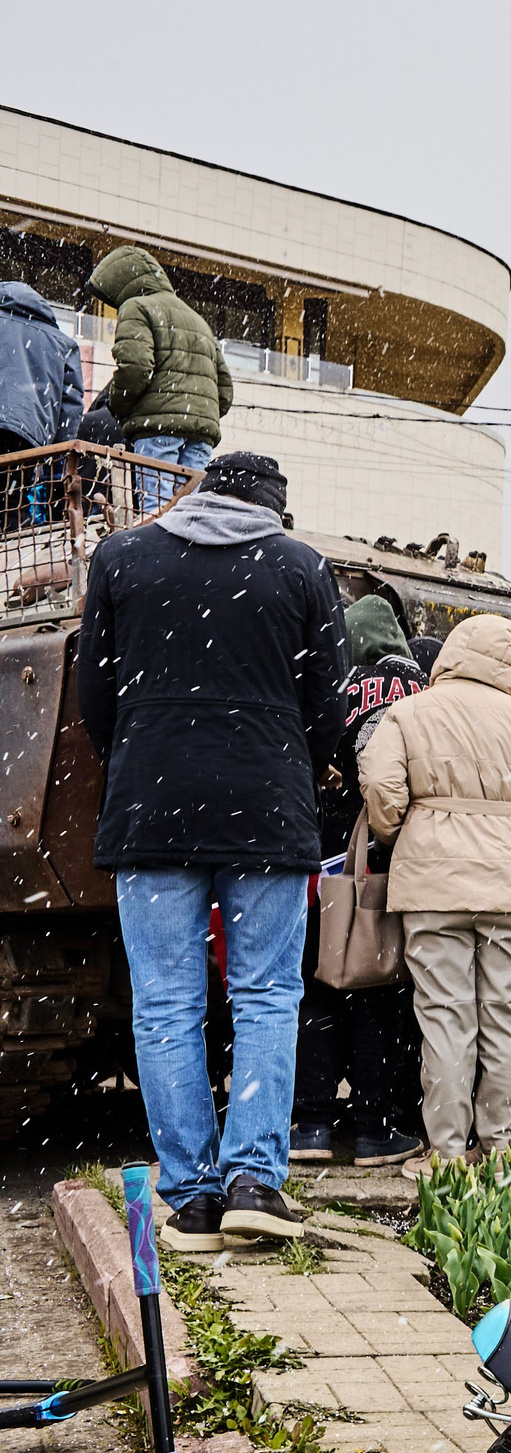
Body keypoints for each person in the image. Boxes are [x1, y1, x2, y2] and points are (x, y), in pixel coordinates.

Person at [76, 452, 346, 1250]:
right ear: (273, 507)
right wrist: (287, 757)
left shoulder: (123, 557)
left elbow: (95, 693)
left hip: (151, 807)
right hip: (267, 809)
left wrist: (146, 756)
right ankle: (254, 1180)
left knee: (165, 1003)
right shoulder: (301, 568)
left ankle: (191, 1196)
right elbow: (327, 704)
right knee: (266, 993)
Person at [360, 613, 511, 1169]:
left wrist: (401, 832)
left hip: (432, 883)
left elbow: (381, 787)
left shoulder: (408, 712)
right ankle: (500, 1147)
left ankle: (448, 1150)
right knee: (508, 1017)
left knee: (444, 1016)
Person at [293, 593, 426, 1169]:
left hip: (324, 869)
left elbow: (307, 759)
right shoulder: (422, 698)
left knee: (319, 986)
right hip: (393, 866)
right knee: (382, 990)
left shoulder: (331, 689)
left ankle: (311, 1124)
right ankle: (376, 1129)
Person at [83, 247, 231, 509]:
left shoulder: (136, 307)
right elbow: (225, 391)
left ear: (120, 285)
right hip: (201, 433)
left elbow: (136, 368)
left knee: (155, 509)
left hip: (157, 427)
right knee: (188, 513)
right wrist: (198, 415)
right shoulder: (197, 319)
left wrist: (118, 409)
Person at [0, 280, 82, 526]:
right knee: (11, 503)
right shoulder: (61, 342)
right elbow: (71, 405)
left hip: (23, 431)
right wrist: (57, 453)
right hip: (25, 439)